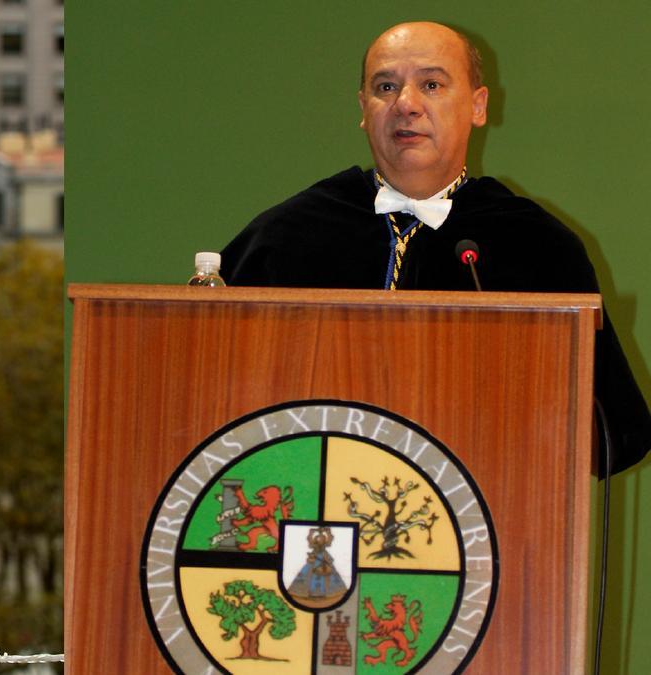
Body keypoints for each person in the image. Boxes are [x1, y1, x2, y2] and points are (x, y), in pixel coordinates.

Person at [220, 22, 650, 474]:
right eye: (386, 86)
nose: (407, 104)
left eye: (431, 84)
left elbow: (611, 434)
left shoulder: (538, 245)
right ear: (364, 108)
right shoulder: (287, 235)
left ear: (478, 106)